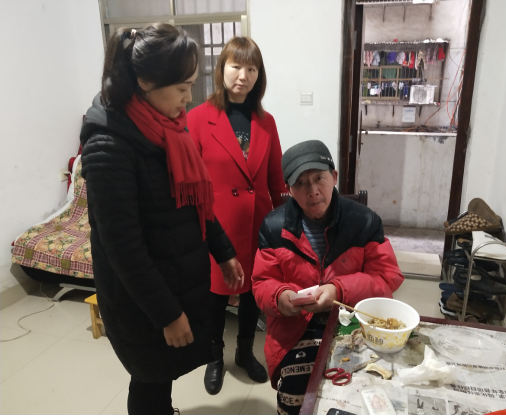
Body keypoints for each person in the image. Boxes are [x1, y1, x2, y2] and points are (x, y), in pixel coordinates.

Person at [80, 24, 244, 415]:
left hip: (172, 278)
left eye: (192, 85)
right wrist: (167, 314)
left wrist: (223, 251)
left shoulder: (167, 127)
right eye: (182, 88)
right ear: (144, 82)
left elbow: (195, 202)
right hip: (141, 300)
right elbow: (123, 248)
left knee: (159, 374)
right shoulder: (108, 145)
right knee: (149, 379)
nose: (189, 98)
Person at [251, 140, 404, 415]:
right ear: (289, 189)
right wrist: (279, 298)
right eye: (301, 183)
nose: (312, 191)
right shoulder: (273, 227)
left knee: (372, 396)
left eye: (319, 178)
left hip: (354, 321)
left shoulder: (364, 221)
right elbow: (262, 282)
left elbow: (387, 277)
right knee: (296, 397)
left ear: (334, 177)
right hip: (296, 327)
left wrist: (338, 289)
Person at [187, 37, 287, 394]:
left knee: (251, 294)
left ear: (259, 75)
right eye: (236, 66)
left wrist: (285, 225)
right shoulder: (197, 118)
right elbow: (190, 181)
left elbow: (276, 179)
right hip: (217, 226)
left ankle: (245, 352)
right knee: (215, 296)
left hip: (258, 225)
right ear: (222, 69)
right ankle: (214, 357)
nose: (243, 75)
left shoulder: (266, 122)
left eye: (251, 68)